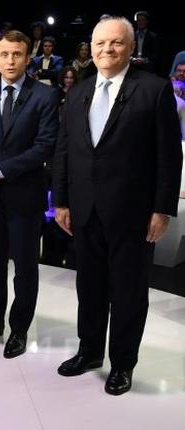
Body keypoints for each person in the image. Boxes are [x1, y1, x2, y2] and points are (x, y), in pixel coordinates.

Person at [52, 16, 182, 395]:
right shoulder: (78, 92)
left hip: (133, 213)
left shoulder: (154, 90)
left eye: (115, 43)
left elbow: (168, 157)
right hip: (84, 210)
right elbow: (65, 149)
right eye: (100, 44)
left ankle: (122, 363)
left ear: (130, 47)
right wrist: (60, 200)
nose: (107, 50)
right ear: (90, 48)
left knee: (127, 292)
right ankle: (89, 351)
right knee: (89, 287)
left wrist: (163, 209)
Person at [0, 30, 59, 358]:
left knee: (25, 269)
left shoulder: (45, 96)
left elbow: (44, 146)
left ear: (27, 57)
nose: (10, 60)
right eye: (4, 54)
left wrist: (0, 171)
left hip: (25, 198)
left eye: (17, 54)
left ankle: (18, 329)